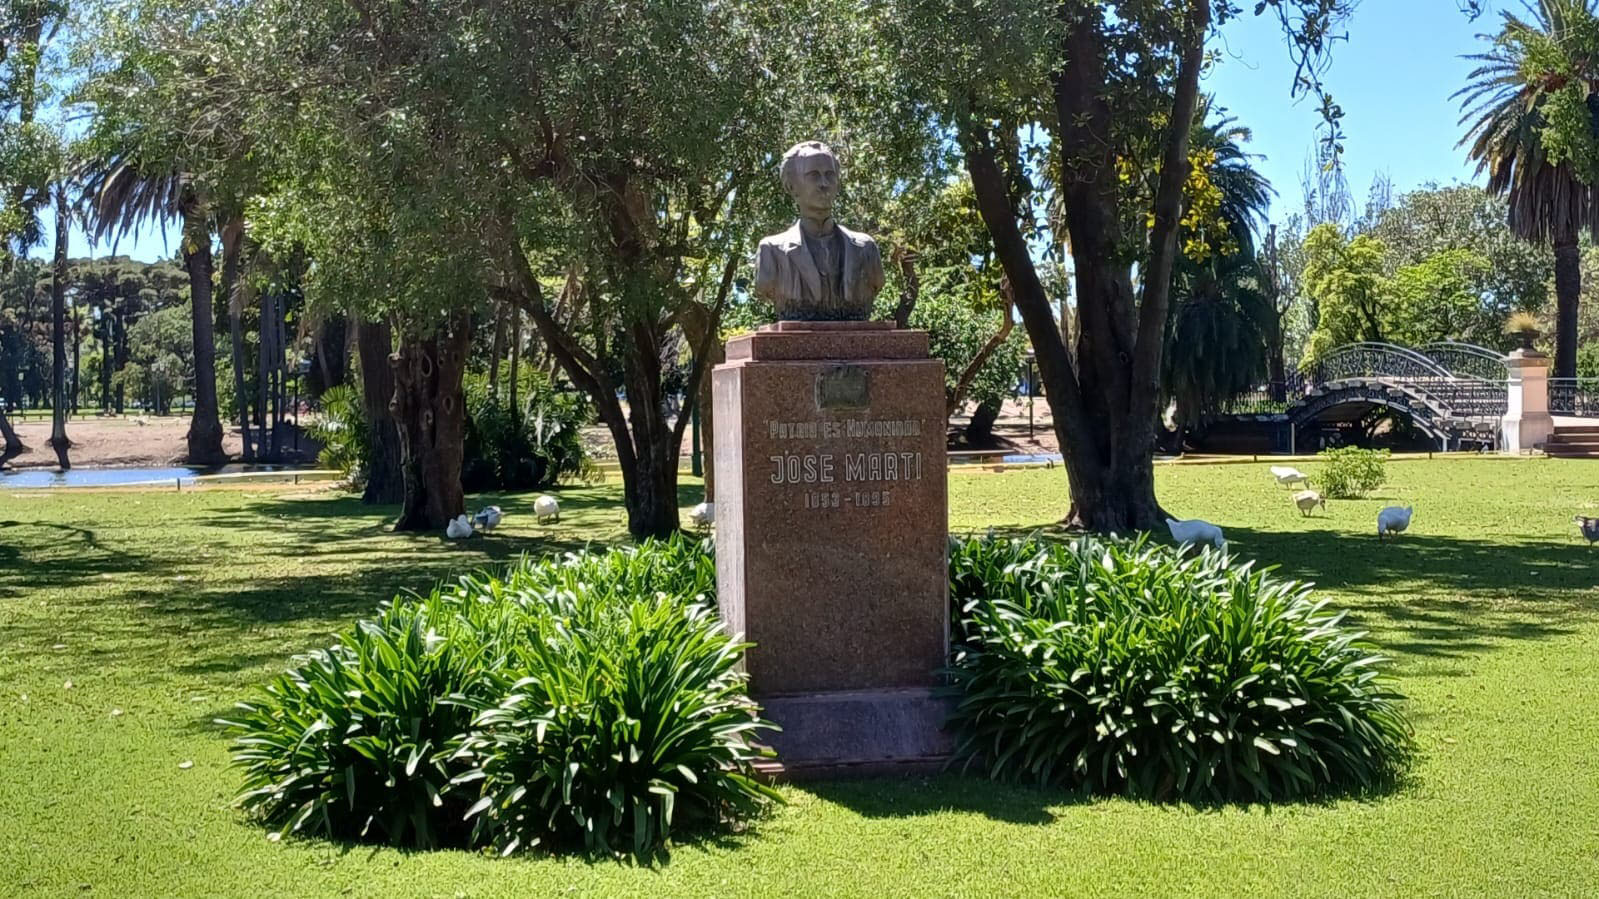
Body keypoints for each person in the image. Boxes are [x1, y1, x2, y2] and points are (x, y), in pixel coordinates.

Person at [753, 141, 885, 321]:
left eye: (830, 175)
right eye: (813, 175)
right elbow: (764, 287)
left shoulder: (866, 248)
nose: (824, 183)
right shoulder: (772, 250)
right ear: (792, 186)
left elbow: (876, 282)